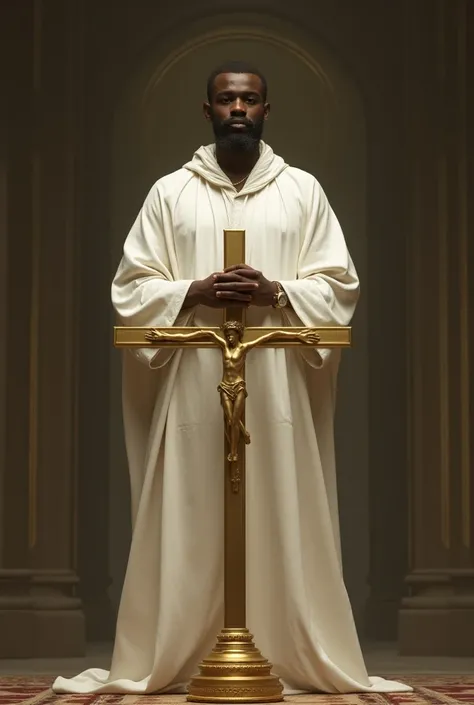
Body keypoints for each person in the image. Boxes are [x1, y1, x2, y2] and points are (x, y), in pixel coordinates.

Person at [53, 61, 411, 696]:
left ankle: (284, 647)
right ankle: (181, 647)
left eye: (249, 99)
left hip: (274, 381)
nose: (238, 109)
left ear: (268, 110)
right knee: (191, 509)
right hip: (194, 376)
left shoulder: (303, 191)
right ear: (208, 110)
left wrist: (276, 290)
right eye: (226, 99)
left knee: (278, 503)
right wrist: (193, 289)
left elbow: (339, 285)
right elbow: (130, 289)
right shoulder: (169, 194)